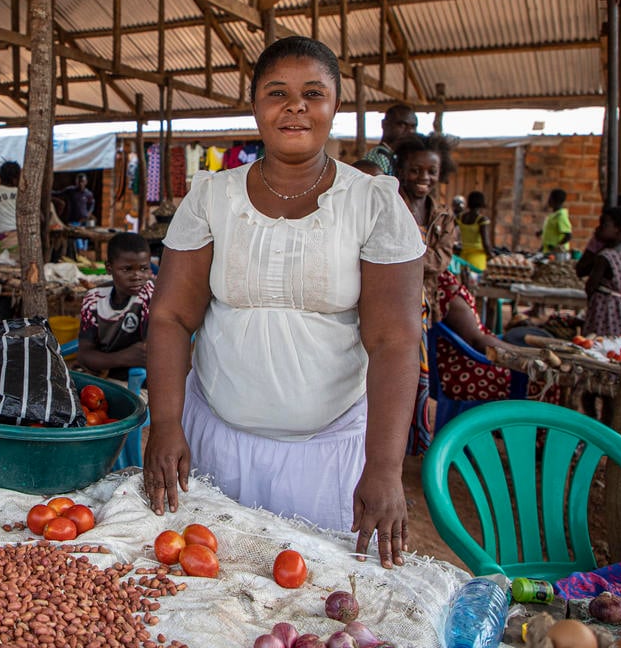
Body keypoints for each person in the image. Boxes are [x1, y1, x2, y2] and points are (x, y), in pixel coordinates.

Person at [144, 36, 424, 566]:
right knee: (207, 582)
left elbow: (395, 341)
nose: (295, 106)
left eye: (313, 93)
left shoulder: (373, 203)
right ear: (255, 106)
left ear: (334, 106)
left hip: (326, 457)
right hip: (213, 443)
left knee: (308, 590)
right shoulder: (212, 197)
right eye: (277, 93)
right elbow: (171, 317)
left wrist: (385, 468)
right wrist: (165, 423)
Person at [394, 134, 458, 456]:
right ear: (401, 170)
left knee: (413, 376)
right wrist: (414, 255)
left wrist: (403, 255)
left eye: (431, 171)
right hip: (389, 302)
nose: (424, 177)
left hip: (421, 309)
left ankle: (408, 446)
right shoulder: (390, 204)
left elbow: (439, 261)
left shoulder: (443, 217)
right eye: (415, 170)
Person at [78, 233, 154, 382]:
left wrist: (103, 360)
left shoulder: (150, 295)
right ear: (109, 268)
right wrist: (124, 357)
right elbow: (84, 355)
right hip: (104, 379)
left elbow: (147, 354)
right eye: (127, 269)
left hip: (140, 382)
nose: (137, 276)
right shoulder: (94, 299)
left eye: (144, 268)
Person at [577, 206, 621, 338]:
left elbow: (590, 286)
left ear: (618, 229)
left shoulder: (604, 257)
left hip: (603, 311)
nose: (598, 228)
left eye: (604, 224)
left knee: (596, 342)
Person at [362, 104, 418, 176]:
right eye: (402, 125)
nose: (410, 131)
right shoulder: (380, 157)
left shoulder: (393, 155)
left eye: (413, 126)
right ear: (384, 124)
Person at [456, 191, 494, 271]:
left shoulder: (460, 217)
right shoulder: (482, 220)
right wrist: (491, 255)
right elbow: (485, 243)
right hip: (477, 258)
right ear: (481, 203)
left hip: (463, 257)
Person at [539, 188, 572, 255]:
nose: (548, 201)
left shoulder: (561, 216)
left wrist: (557, 247)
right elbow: (551, 229)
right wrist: (541, 232)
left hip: (557, 253)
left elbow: (568, 235)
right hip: (548, 250)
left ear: (555, 201)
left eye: (550, 198)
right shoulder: (553, 215)